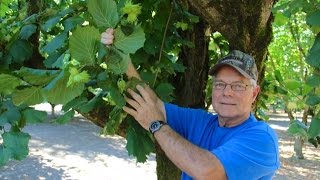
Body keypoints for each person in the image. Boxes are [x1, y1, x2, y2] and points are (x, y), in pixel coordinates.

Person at [101, 29, 280, 180]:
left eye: (238, 86)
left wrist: (157, 125)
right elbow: (152, 103)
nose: (227, 92)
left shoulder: (262, 138)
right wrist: (120, 53)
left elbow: (207, 171)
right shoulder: (201, 121)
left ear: (254, 94)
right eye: (220, 84)